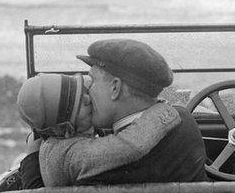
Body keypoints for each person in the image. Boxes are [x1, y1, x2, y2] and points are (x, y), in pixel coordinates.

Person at [72, 38, 208, 184]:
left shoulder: (101, 165)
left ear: (115, 88)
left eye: (92, 81)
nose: (86, 90)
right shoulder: (184, 119)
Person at [14, 72, 186, 187]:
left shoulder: (56, 143)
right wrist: (166, 109)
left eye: (84, 93)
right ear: (64, 127)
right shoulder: (73, 155)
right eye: (80, 104)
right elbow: (131, 145)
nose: (89, 100)